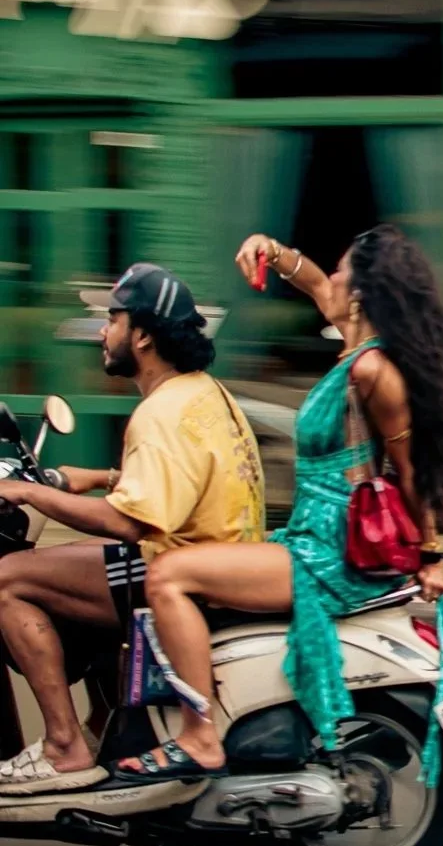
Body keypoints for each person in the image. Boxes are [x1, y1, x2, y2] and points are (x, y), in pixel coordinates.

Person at [114, 225, 443, 783]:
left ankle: (200, 736)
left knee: (169, 576)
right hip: (307, 533)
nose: (330, 276)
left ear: (361, 290)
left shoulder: (373, 371)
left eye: (342, 269)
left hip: (330, 552)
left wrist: (430, 556)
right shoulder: (353, 333)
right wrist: (272, 251)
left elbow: (410, 472)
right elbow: (310, 281)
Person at [0, 264, 264, 794]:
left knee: (8, 578)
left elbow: (128, 521)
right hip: (217, 564)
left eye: (112, 319)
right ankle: (105, 724)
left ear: (142, 334)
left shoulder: (160, 413)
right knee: (76, 563)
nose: (102, 331)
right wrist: (96, 478)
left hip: (185, 580)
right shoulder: (203, 393)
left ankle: (63, 748)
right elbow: (180, 480)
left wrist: (29, 492)